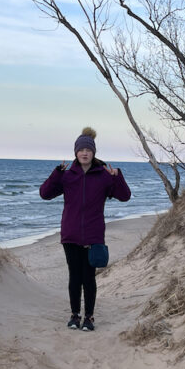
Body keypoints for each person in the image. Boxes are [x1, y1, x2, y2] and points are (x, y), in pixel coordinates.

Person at [39, 127, 131, 331]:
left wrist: (117, 176)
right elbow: (44, 194)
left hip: (93, 234)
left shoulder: (104, 175)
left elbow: (125, 196)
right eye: (81, 150)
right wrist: (56, 174)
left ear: (93, 152)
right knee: (74, 277)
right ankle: (74, 315)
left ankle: (89, 317)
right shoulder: (67, 175)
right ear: (76, 152)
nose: (84, 153)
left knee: (88, 277)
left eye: (88, 150)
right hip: (70, 234)